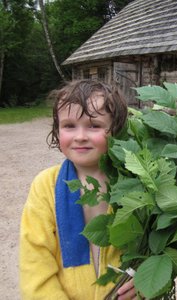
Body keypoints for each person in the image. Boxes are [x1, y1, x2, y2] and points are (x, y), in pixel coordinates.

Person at [19, 79, 136, 299]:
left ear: (116, 129)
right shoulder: (46, 186)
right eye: (69, 126)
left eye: (94, 125)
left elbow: (153, 249)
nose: (80, 136)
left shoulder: (134, 184)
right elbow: (35, 263)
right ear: (57, 130)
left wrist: (145, 280)